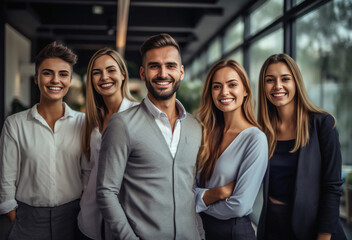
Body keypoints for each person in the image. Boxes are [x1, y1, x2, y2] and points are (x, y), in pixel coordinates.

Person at [96, 33, 202, 239]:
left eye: (170, 66)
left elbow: (192, 189)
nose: (163, 73)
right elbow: (106, 192)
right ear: (143, 73)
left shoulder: (195, 126)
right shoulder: (122, 124)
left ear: (181, 72)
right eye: (155, 66)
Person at [0, 41, 88, 240]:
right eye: (47, 73)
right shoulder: (15, 124)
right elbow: (5, 179)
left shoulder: (83, 123)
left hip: (74, 218)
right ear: (36, 78)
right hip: (28, 220)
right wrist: (16, 217)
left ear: (70, 80)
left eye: (63, 74)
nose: (55, 80)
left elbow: (88, 174)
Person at [257, 53, 347, 240]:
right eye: (270, 80)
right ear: (263, 86)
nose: (278, 86)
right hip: (273, 227)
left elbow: (332, 187)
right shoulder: (261, 132)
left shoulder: (323, 125)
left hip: (315, 229)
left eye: (285, 79)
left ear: (296, 82)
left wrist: (323, 237)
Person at [194, 59, 268, 240]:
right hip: (198, 230)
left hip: (233, 232)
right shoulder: (203, 132)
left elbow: (239, 205)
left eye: (232, 84)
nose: (224, 92)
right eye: (217, 86)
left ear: (245, 91)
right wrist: (217, 193)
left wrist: (197, 203)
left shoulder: (255, 139)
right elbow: (183, 186)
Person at [77, 48, 138, 240]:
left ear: (122, 74)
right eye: (97, 72)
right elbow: (88, 170)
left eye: (111, 70)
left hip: (128, 223)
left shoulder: (140, 115)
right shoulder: (92, 121)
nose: (104, 77)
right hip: (89, 222)